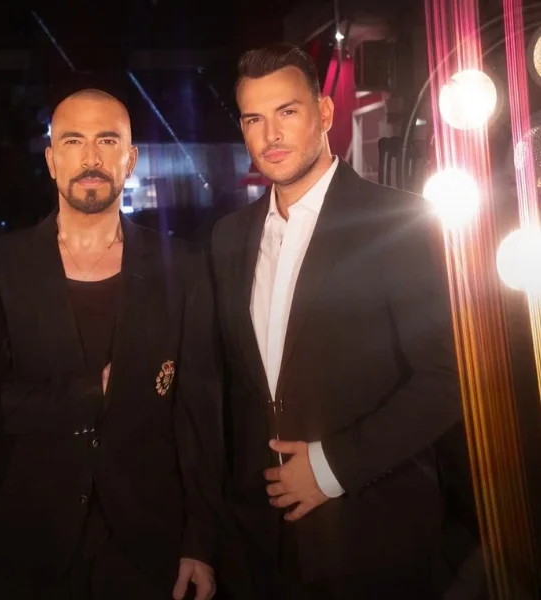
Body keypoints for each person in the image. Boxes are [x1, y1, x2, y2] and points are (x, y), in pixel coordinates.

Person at [210, 45, 462, 598]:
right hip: (260, 544)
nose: (271, 134)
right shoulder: (228, 237)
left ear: (324, 113)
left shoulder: (400, 221)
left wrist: (332, 468)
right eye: (254, 119)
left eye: (287, 111)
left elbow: (448, 380)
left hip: (370, 534)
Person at [0, 87, 223, 600]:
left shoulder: (183, 267)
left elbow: (200, 417)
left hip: (147, 544)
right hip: (25, 541)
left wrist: (200, 540)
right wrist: (91, 393)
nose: (91, 159)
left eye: (107, 141)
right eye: (73, 141)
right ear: (51, 160)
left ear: (130, 159)